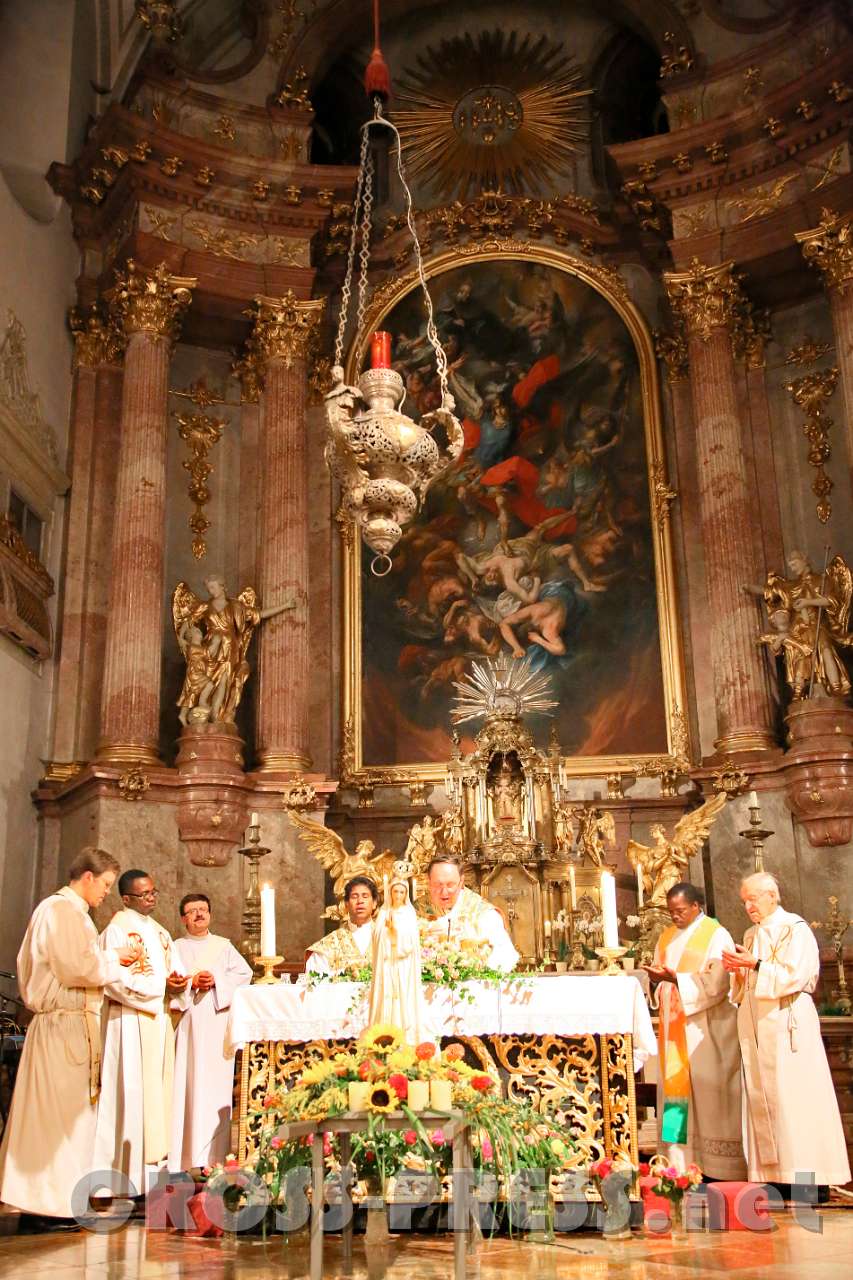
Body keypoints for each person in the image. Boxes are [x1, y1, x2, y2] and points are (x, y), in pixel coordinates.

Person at [0, 848, 139, 1228]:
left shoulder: (71, 913)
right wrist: (117, 959)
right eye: (106, 884)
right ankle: (47, 1207)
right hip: (61, 1026)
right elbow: (76, 966)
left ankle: (52, 1202)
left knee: (64, 1118)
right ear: (88, 876)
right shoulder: (61, 910)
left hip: (69, 1025)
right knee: (56, 1120)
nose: (106, 893)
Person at [723, 872, 851, 1190]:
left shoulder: (796, 929)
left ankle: (810, 1180)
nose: (748, 906)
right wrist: (739, 973)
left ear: (772, 895)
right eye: (744, 901)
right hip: (757, 1023)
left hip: (787, 1024)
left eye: (753, 899)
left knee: (796, 1098)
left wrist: (754, 966)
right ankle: (772, 1177)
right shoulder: (750, 935)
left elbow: (799, 975)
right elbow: (745, 986)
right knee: (763, 1098)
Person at [93, 870, 189, 1197]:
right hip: (128, 1023)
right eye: (143, 893)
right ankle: (120, 1180)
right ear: (126, 898)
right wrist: (161, 987)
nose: (151, 898)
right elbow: (113, 980)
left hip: (157, 1020)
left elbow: (174, 973)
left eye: (153, 892)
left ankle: (150, 1177)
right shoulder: (117, 931)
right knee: (130, 1096)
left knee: (157, 1099)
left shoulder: (161, 932)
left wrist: (179, 984)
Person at [643, 883, 746, 1180]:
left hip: (706, 1030)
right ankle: (678, 1163)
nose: (675, 917)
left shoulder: (716, 934)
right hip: (675, 1029)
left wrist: (677, 981)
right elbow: (661, 979)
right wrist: (656, 982)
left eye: (680, 911)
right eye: (671, 912)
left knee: (710, 1097)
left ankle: (716, 1169)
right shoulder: (665, 937)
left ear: (697, 906)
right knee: (677, 1098)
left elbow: (717, 983)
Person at [168, 894, 252, 1172]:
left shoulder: (223, 946)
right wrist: (192, 982)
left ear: (211, 915)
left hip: (216, 1024)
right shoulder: (175, 947)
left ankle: (214, 1159)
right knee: (186, 1085)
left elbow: (244, 974)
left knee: (215, 1088)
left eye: (203, 910)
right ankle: (184, 1157)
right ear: (183, 919)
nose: (199, 915)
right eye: (192, 911)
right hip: (189, 1024)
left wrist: (216, 982)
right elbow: (168, 981)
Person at [421, 855, 518, 972]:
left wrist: (469, 951)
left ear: (461, 881)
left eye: (450, 885)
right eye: (437, 885)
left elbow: (506, 957)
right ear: (429, 882)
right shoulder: (413, 912)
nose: (444, 892)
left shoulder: (484, 913)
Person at [368, 871, 427, 1045]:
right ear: (390, 893)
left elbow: (411, 943)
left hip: (404, 965)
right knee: (387, 997)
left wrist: (396, 934)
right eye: (396, 891)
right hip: (387, 965)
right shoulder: (384, 913)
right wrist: (387, 932)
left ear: (406, 894)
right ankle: (385, 1035)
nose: (399, 895)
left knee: (403, 998)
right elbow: (377, 937)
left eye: (402, 892)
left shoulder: (409, 914)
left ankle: (406, 1036)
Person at [305, 877, 379, 976]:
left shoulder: (387, 939)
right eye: (354, 896)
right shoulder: (329, 944)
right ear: (346, 904)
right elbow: (314, 981)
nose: (360, 901)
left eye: (365, 896)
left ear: (374, 903)